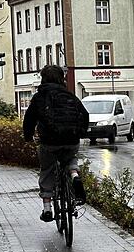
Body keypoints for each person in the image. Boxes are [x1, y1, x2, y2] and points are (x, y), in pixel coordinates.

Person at [23, 65, 89, 222]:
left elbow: (29, 119)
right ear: (62, 78)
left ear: (43, 78)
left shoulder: (40, 96)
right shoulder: (70, 95)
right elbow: (84, 115)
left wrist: (28, 136)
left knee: (47, 170)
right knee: (71, 158)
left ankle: (47, 208)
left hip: (49, 141)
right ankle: (74, 175)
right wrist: (81, 132)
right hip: (71, 140)